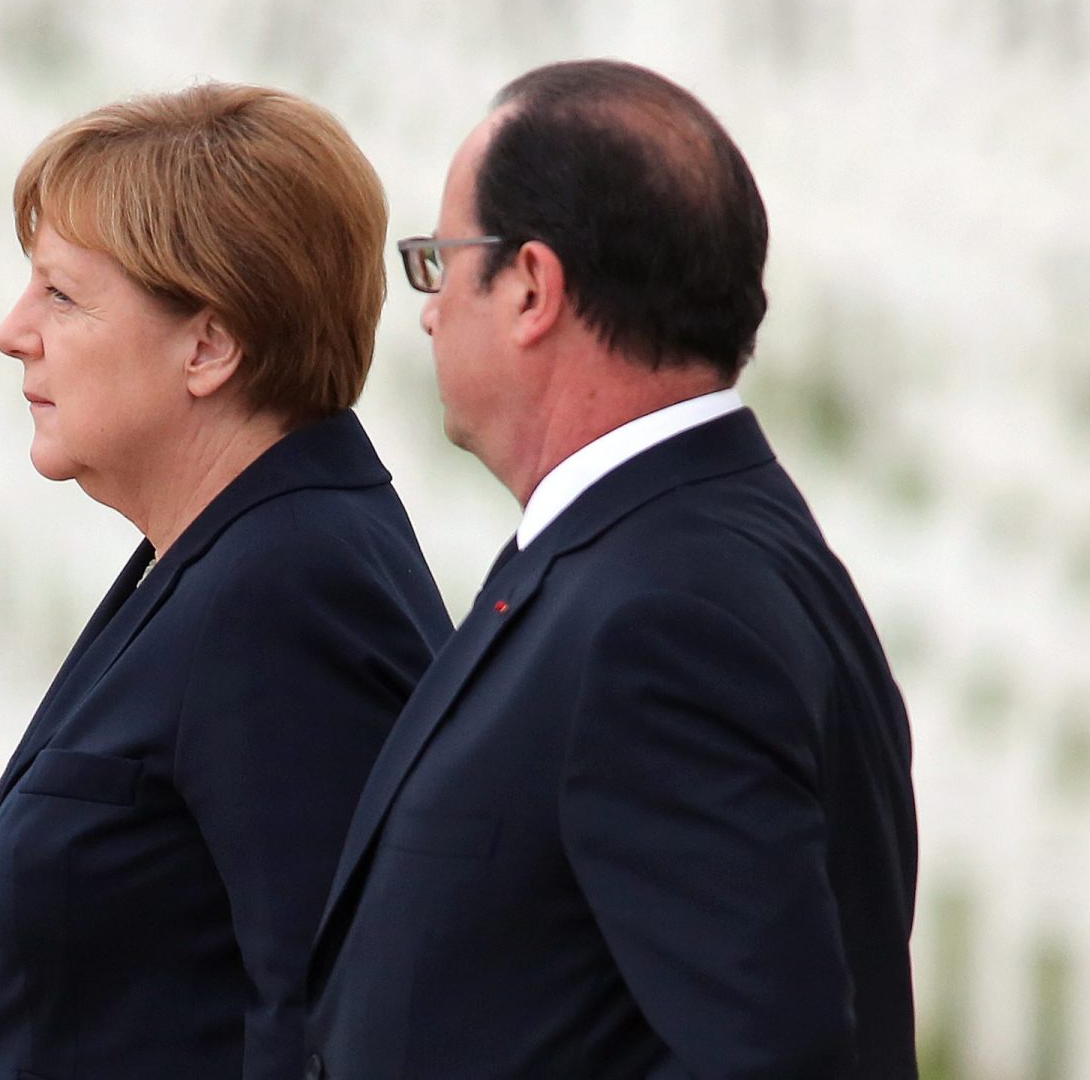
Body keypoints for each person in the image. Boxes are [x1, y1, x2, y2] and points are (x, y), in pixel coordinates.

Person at [303, 60, 919, 1080]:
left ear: (533, 288)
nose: (427, 309)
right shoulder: (668, 545)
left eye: (441, 263)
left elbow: (766, 1055)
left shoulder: (667, 616)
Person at [0, 82, 451, 1080]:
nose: (14, 330)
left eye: (60, 293)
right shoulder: (226, 552)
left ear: (210, 343)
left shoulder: (290, 589)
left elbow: (332, 1026)